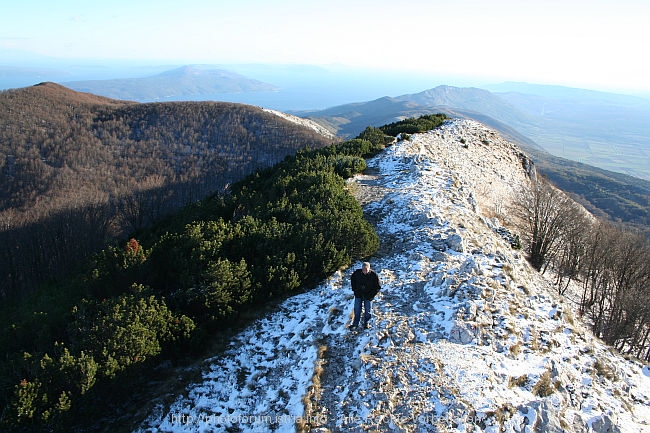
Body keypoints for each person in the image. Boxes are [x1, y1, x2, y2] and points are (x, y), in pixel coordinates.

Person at [349, 261, 381, 329]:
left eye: (366, 269)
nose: (365, 270)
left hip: (368, 295)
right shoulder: (357, 273)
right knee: (357, 309)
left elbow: (377, 286)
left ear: (369, 268)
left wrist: (371, 295)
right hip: (359, 294)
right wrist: (355, 290)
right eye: (363, 269)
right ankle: (355, 324)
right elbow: (352, 280)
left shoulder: (374, 275)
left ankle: (366, 323)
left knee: (368, 310)